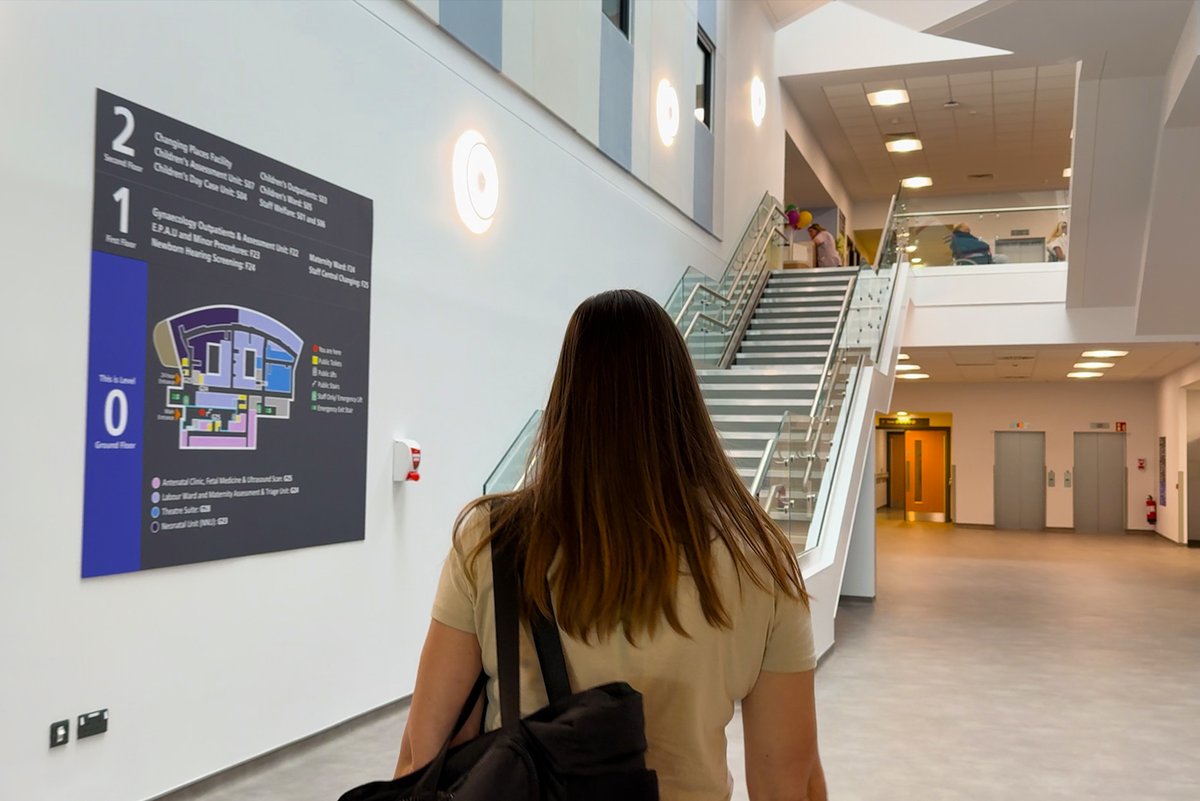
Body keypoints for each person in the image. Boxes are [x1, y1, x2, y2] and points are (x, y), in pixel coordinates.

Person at [395, 290, 827, 801]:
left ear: (567, 396)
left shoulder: (493, 541)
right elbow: (788, 782)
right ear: (683, 398)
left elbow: (423, 757)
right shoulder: (758, 560)